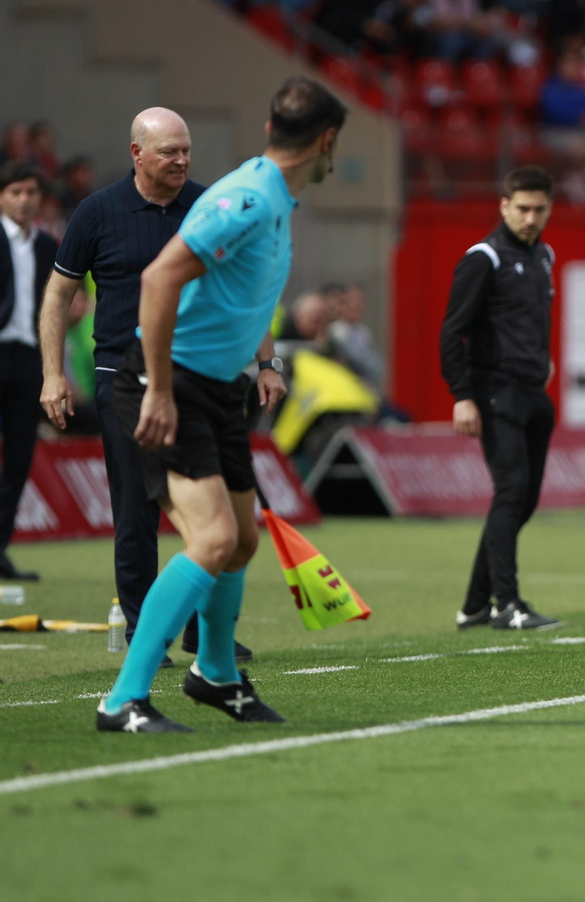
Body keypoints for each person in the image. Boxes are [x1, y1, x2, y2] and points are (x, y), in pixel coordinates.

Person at [94, 76, 345, 733]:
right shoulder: (248, 199)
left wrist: (264, 365)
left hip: (218, 388)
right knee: (213, 540)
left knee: (241, 544)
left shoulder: (271, 192)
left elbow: (243, 297)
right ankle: (123, 699)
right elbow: (158, 277)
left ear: (269, 132)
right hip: (169, 381)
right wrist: (160, 388)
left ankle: (215, 675)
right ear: (328, 143)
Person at [41, 109, 279, 665]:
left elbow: (245, 288)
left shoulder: (209, 205)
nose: (181, 160)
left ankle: (205, 633)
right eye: (169, 151)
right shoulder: (96, 213)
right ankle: (148, 636)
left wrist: (269, 363)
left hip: (200, 377)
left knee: (216, 513)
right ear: (136, 153)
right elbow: (57, 297)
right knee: (136, 513)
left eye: (186, 151)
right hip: (122, 381)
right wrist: (53, 373)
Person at [439, 166, 562, 633]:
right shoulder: (483, 258)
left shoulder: (543, 256)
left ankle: (473, 605)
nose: (531, 218)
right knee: (511, 491)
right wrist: (461, 396)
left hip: (534, 394)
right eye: (523, 209)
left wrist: (544, 359)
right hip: (495, 392)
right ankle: (506, 604)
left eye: (540, 209)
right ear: (504, 206)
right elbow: (453, 332)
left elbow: (532, 320)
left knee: (523, 501)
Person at [0, 163, 57, 583]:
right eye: (16, 191)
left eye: (31, 191)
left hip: (28, 359)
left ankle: (0, 549)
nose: (24, 199)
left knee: (20, 458)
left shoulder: (46, 246)